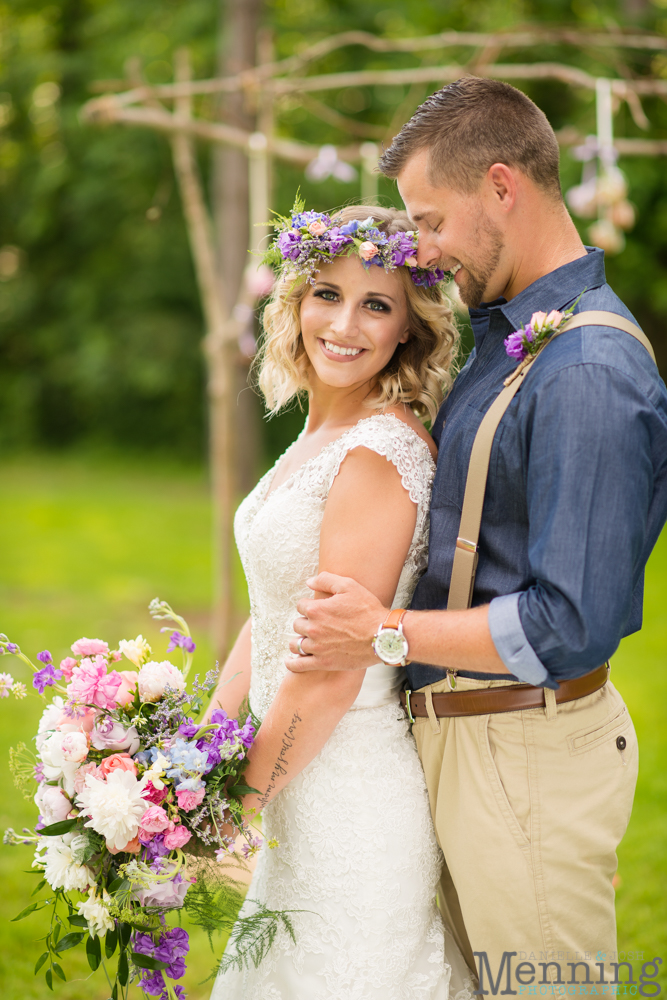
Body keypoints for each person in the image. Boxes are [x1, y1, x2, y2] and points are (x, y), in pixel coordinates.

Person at [285, 79, 667, 990]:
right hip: (465, 746)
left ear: (501, 186)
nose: (420, 250)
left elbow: (565, 624)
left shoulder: (586, 370)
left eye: (428, 221)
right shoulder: (509, 337)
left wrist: (379, 629)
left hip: (523, 757)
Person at [208, 204, 474, 999]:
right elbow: (273, 611)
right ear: (293, 300)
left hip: (350, 800)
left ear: (409, 330)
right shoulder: (321, 434)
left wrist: (233, 808)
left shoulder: (375, 454)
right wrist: (194, 757)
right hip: (296, 781)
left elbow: (327, 672)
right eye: (326, 293)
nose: (344, 324)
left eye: (377, 305)